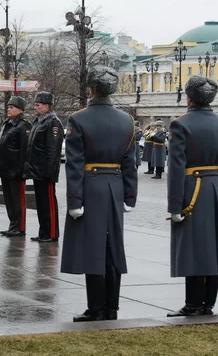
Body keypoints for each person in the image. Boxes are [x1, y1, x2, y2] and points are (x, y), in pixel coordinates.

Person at [61, 66, 138, 322]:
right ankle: (111, 307)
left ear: (91, 89)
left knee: (92, 248)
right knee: (113, 248)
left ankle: (95, 307)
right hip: (115, 186)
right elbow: (130, 162)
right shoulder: (127, 120)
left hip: (90, 186)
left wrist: (74, 200)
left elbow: (74, 164)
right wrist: (130, 196)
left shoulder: (78, 119)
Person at [166, 75, 218, 317]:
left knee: (193, 247)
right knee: (215, 246)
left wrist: (175, 205)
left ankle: (194, 303)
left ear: (189, 98)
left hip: (192, 189)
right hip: (216, 188)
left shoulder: (180, 124)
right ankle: (208, 303)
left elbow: (176, 168)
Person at [23, 92, 64, 243]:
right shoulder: (39, 121)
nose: (35, 107)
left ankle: (51, 233)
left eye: (38, 105)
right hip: (37, 169)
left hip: (45, 171)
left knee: (48, 203)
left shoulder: (52, 123)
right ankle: (43, 232)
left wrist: (50, 171)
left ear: (47, 106)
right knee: (41, 203)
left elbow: (53, 150)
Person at [0, 96, 32, 237]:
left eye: (12, 107)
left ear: (20, 110)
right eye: (8, 107)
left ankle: (20, 227)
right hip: (5, 168)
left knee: (18, 200)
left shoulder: (23, 125)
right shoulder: (7, 123)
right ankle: (12, 225)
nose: (8, 109)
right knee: (9, 199)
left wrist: (23, 169)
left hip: (16, 169)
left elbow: (25, 149)